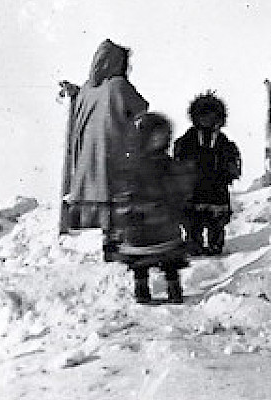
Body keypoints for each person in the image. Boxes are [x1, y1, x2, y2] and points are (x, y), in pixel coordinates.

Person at [59, 39, 149, 261]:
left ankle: (111, 244)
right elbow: (141, 107)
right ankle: (117, 245)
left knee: (105, 200)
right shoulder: (118, 85)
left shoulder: (87, 89)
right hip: (115, 153)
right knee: (119, 199)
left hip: (90, 159)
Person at [112, 112, 197, 304]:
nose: (158, 141)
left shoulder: (168, 164)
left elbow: (178, 187)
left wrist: (181, 190)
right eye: (154, 137)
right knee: (139, 263)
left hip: (164, 223)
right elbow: (124, 191)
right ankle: (141, 288)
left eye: (162, 137)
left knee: (170, 259)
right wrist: (127, 212)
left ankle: (174, 287)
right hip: (140, 224)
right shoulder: (132, 166)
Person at [173, 92, 241, 256]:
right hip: (193, 189)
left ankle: (215, 243)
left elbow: (232, 160)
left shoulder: (222, 140)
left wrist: (229, 171)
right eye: (204, 115)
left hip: (217, 188)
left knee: (216, 222)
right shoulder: (188, 139)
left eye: (212, 116)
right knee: (193, 221)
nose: (208, 120)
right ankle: (194, 243)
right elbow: (179, 160)